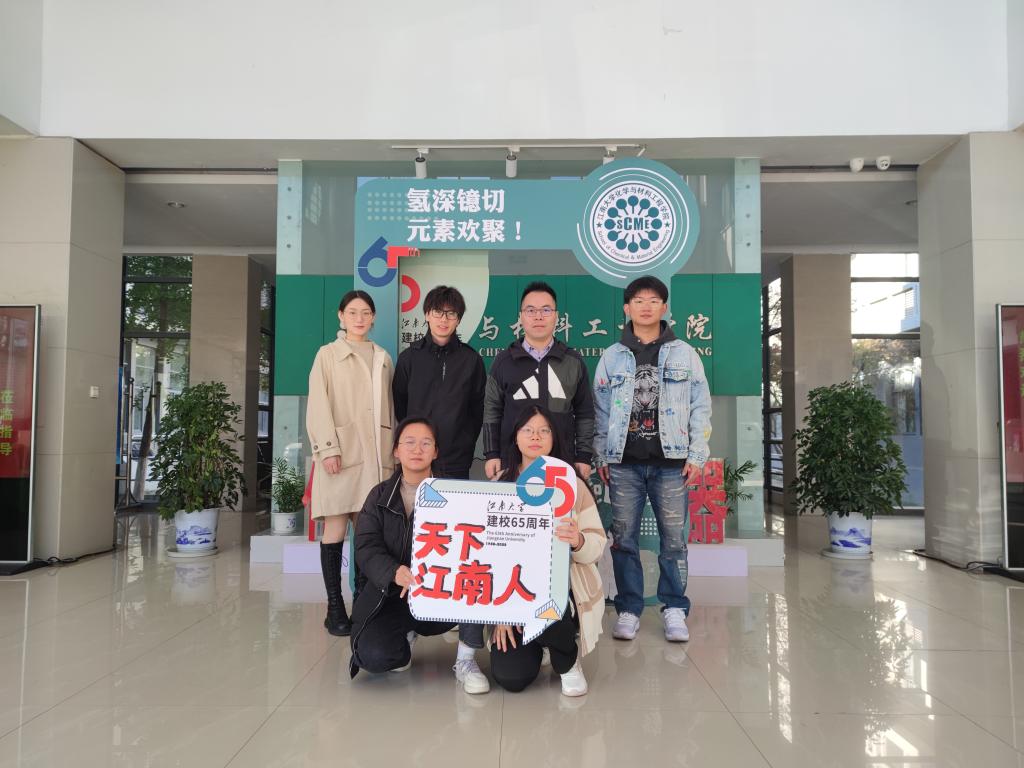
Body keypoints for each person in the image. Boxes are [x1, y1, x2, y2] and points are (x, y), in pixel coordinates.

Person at [592, 276, 711, 644]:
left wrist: (697, 454)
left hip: (671, 463)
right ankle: (629, 609)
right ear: (627, 308)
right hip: (624, 464)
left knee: (673, 541)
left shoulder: (685, 353)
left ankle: (674, 607)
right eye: (639, 300)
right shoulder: (612, 356)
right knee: (623, 539)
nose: (646, 306)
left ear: (664, 307)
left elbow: (700, 405)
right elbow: (600, 410)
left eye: (654, 300)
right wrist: (602, 454)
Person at [391, 284, 490, 693]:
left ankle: (459, 633)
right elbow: (400, 408)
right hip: (417, 467)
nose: (444, 319)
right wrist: (415, 451)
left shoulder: (471, 360)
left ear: (458, 319)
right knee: (415, 543)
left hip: (456, 465)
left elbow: (477, 411)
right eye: (438, 311)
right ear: (427, 314)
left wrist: (461, 448)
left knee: (459, 547)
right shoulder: (409, 359)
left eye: (451, 313)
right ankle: (411, 623)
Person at [490, 406, 606, 697]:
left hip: (561, 594)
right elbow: (485, 553)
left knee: (549, 599)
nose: (535, 437)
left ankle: (567, 660)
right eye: (527, 430)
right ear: (515, 436)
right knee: (511, 677)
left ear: (554, 438)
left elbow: (597, 545)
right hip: (511, 596)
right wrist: (499, 613)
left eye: (544, 431)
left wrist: (578, 540)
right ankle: (540, 644)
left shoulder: (572, 484)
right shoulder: (500, 483)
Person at [307, 290, 395, 637]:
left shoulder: (383, 357)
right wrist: (328, 448)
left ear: (374, 318)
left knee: (367, 532)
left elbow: (390, 409)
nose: (359, 318)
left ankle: (361, 603)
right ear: (341, 316)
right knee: (335, 528)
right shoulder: (327, 354)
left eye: (366, 312)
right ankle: (334, 608)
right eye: (353, 312)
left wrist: (393, 454)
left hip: (375, 457)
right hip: (340, 455)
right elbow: (318, 403)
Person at [349, 418, 458, 677]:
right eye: (409, 442)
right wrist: (393, 572)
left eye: (426, 443)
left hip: (439, 593)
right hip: (390, 595)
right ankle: (402, 642)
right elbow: (366, 546)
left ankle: (467, 655)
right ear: (396, 451)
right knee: (372, 655)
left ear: (436, 451)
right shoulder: (378, 496)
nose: (417, 449)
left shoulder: (455, 495)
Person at [483, 281, 595, 483]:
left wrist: (584, 456)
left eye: (546, 310)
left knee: (560, 505)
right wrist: (492, 454)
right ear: (521, 317)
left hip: (561, 462)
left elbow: (585, 413)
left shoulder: (573, 361)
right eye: (531, 310)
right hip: (512, 462)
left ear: (556, 316)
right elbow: (492, 410)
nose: (538, 316)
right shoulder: (503, 361)